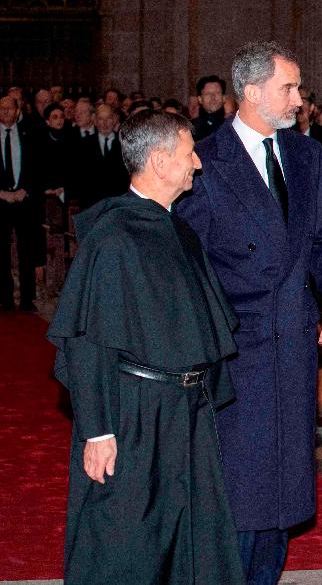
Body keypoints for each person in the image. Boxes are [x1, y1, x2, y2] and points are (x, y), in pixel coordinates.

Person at [177, 41, 322, 585]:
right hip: (238, 351)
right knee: (241, 486)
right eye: (290, 87)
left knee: (282, 488)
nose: (301, 99)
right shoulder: (204, 159)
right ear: (252, 92)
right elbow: (190, 261)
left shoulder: (307, 155)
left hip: (294, 344)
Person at [49, 109, 244, 583]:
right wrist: (97, 431)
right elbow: (87, 342)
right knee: (127, 546)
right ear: (159, 162)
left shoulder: (178, 229)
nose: (197, 164)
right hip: (133, 414)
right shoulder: (113, 237)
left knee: (190, 543)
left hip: (185, 412)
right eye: (188, 154)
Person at [0, 95, 47, 311]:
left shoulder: (30, 134)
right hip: (0, 200)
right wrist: (2, 193)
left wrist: (25, 190)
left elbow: (38, 167)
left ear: (18, 110)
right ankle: (5, 299)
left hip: (24, 200)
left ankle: (27, 299)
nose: (5, 112)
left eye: (9, 108)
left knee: (26, 249)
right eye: (1, 109)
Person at [193, 75, 228, 139]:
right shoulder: (191, 128)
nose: (213, 97)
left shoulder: (233, 126)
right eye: (208, 94)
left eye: (217, 93)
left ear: (224, 98)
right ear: (200, 99)